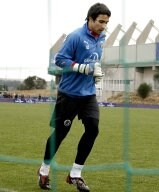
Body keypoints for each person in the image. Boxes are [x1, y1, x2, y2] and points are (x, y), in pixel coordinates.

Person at [37, 3, 111, 191]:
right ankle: (44, 170)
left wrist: (95, 72)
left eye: (106, 22)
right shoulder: (75, 36)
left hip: (88, 95)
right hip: (69, 94)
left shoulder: (101, 38)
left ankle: (75, 173)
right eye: (101, 22)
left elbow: (93, 61)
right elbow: (60, 59)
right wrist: (80, 67)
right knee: (60, 135)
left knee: (93, 129)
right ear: (90, 19)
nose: (104, 26)